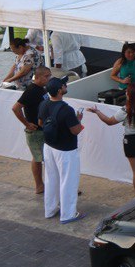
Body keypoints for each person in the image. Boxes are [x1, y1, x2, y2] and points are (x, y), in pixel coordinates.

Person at [87, 83, 135, 198]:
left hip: (132, 141)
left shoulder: (126, 109)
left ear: (129, 95)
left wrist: (97, 112)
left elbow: (109, 122)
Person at [39, 76, 85, 223]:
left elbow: (40, 123)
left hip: (49, 146)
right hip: (66, 150)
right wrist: (79, 119)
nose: (66, 86)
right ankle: (68, 214)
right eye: (64, 85)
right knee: (68, 181)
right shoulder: (67, 110)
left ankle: (50, 210)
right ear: (60, 90)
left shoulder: (44, 104)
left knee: (51, 178)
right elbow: (76, 130)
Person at [11, 66, 53, 193]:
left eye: (49, 75)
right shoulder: (31, 90)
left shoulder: (42, 89)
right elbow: (16, 108)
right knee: (38, 158)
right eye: (46, 76)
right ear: (38, 77)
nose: (49, 78)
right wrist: (27, 123)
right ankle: (39, 185)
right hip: (35, 131)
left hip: (44, 128)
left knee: (44, 157)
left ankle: (47, 184)